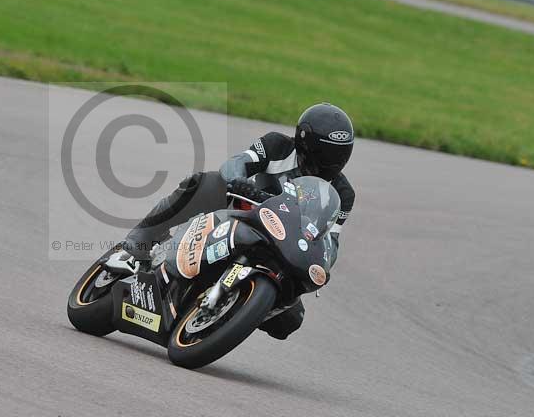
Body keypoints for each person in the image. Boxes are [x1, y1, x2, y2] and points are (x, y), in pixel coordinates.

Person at [107, 103, 356, 340]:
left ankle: (236, 310)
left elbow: (331, 241)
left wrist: (323, 262)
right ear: (306, 144)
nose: (332, 162)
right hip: (240, 213)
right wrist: (240, 182)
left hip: (281, 245)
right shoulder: (277, 146)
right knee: (205, 184)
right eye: (327, 154)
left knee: (291, 319)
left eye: (339, 155)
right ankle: (135, 246)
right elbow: (238, 163)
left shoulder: (343, 193)